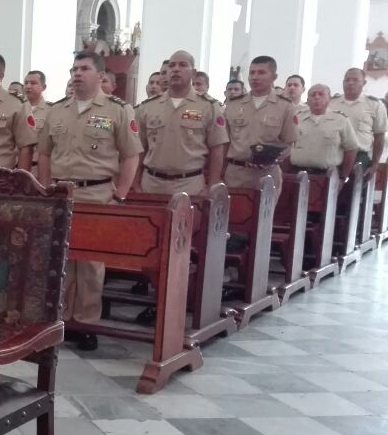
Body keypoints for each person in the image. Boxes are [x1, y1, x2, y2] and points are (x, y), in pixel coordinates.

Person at [37, 51, 141, 351]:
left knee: (91, 264)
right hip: (60, 193)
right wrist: (45, 188)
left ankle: (86, 323)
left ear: (100, 76)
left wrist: (120, 194)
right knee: (61, 259)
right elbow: (44, 153)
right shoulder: (57, 110)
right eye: (74, 69)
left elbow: (131, 155)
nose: (77, 73)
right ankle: (62, 319)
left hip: (96, 193)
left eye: (84, 69)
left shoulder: (117, 110)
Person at [136, 49, 227, 196]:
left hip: (190, 184)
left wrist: (212, 184)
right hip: (152, 184)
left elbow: (217, 149)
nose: (176, 69)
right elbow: (138, 149)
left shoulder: (208, 106)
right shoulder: (148, 107)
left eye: (183, 65)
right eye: (172, 66)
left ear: (194, 73)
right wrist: (135, 183)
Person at [223, 55, 298, 197]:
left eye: (261, 73)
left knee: (262, 219)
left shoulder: (285, 106)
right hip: (236, 174)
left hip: (267, 174)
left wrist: (273, 159)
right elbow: (224, 142)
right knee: (233, 217)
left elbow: (288, 142)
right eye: (252, 73)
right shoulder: (233, 105)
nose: (255, 77)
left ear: (274, 76)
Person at [291, 84, 358, 184]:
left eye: (321, 94)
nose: (316, 97)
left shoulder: (340, 119)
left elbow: (351, 148)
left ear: (329, 99)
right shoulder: (297, 118)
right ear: (308, 100)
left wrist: (343, 177)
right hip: (296, 173)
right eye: (313, 95)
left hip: (327, 176)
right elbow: (287, 145)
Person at [329, 68, 387, 178]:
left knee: (351, 190)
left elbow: (379, 136)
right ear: (343, 83)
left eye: (355, 80)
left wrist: (374, 164)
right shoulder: (332, 103)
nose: (350, 83)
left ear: (364, 83)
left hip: (359, 157)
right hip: (333, 153)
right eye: (347, 80)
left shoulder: (375, 105)